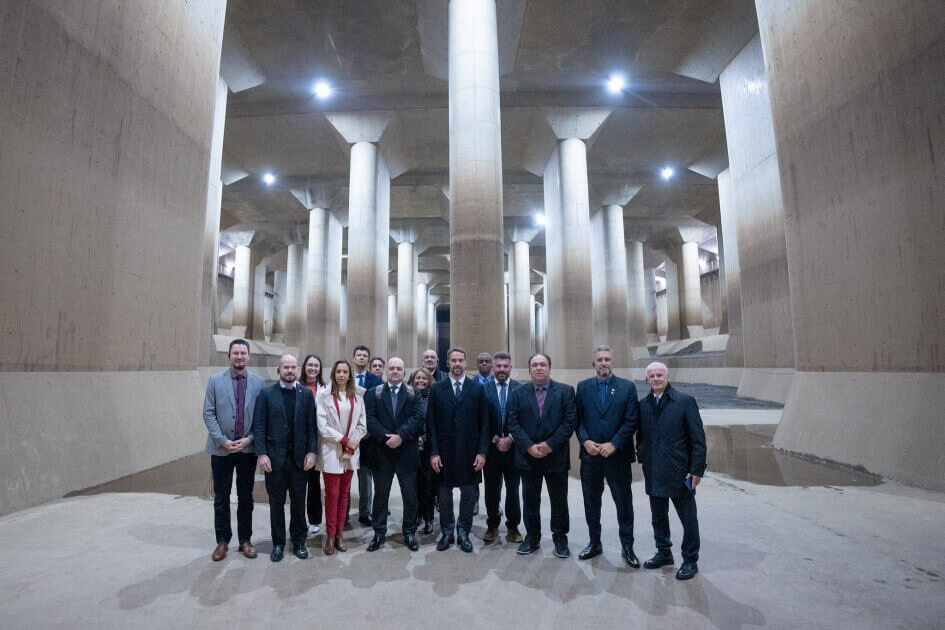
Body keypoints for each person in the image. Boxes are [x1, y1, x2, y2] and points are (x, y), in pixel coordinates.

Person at [638, 361, 707, 581]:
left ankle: (690, 560)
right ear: (647, 379)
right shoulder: (643, 404)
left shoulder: (684, 402)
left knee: (688, 519)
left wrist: (696, 469)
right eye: (652, 376)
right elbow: (640, 435)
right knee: (658, 517)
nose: (656, 379)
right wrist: (643, 455)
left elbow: (698, 439)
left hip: (680, 472)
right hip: (654, 470)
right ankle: (664, 552)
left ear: (668, 377)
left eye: (660, 375)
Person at [575, 346, 640, 567]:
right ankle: (594, 543)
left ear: (613, 362)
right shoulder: (583, 387)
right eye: (600, 359)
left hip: (617, 456)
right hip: (591, 456)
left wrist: (614, 443)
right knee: (591, 502)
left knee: (624, 503)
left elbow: (631, 420)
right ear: (593, 363)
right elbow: (578, 419)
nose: (604, 363)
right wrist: (585, 441)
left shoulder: (627, 387)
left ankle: (628, 546)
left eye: (607, 359)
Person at [507, 353, 577, 559]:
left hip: (555, 457)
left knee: (559, 501)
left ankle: (560, 537)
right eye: (535, 365)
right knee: (530, 501)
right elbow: (513, 423)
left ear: (549, 368)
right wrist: (529, 446)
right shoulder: (518, 393)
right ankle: (532, 537)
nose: (539, 368)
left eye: (543, 364)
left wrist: (549, 445)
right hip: (528, 458)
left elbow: (569, 423)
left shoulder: (565, 391)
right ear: (529, 370)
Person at [202, 339, 265, 561]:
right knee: (221, 497)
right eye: (235, 353)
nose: (239, 357)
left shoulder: (258, 383)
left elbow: (261, 417)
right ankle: (222, 541)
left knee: (246, 497)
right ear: (229, 356)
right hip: (222, 450)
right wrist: (222, 440)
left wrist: (250, 439)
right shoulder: (215, 381)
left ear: (248, 356)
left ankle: (245, 540)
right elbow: (208, 413)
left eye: (243, 353)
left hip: (247, 450)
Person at [253, 354, 317, 562]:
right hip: (275, 460)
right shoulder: (266, 394)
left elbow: (311, 427)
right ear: (278, 371)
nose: (290, 370)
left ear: (297, 370)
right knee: (276, 504)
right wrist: (262, 454)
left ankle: (299, 542)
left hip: (300, 461)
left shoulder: (306, 394)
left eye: (293, 367)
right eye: (286, 367)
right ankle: (278, 544)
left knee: (299, 504)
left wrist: (312, 452)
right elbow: (259, 426)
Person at [426, 347, 490, 553]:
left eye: (460, 360)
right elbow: (431, 424)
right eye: (453, 360)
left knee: (468, 495)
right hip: (443, 453)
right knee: (443, 495)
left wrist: (482, 452)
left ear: (465, 362)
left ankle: (463, 531)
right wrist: (434, 452)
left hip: (469, 453)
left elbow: (484, 424)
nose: (457, 364)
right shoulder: (437, 389)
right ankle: (446, 531)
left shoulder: (477, 389)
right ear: (447, 362)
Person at [365, 358, 425, 551]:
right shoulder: (374, 393)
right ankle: (379, 532)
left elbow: (418, 418)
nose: (395, 371)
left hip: (406, 452)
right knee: (381, 495)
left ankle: (409, 531)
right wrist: (386, 437)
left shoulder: (414, 393)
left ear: (404, 373)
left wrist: (401, 436)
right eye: (391, 368)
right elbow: (370, 419)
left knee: (410, 495)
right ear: (385, 372)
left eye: (399, 368)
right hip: (381, 452)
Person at [316, 359, 368, 555]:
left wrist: (351, 447)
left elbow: (362, 425)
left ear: (349, 374)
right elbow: (323, 427)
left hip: (350, 453)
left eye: (345, 371)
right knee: (332, 495)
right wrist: (346, 440)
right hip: (331, 451)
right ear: (333, 373)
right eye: (338, 371)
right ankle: (330, 535)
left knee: (344, 495)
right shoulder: (324, 395)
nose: (341, 375)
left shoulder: (359, 396)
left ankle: (340, 534)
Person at [481, 352, 523, 544]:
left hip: (514, 450)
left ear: (510, 367)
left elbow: (524, 420)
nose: (502, 370)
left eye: (505, 366)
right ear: (493, 368)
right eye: (498, 366)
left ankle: (513, 527)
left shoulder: (520, 389)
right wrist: (497, 438)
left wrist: (511, 438)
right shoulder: (483, 390)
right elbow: (480, 421)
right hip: (492, 449)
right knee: (491, 490)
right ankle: (492, 525)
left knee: (513, 490)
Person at [351, 345, 383, 526]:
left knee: (366, 476)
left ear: (368, 360)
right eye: (359, 355)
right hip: (347, 434)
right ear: (354, 358)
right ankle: (344, 513)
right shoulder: (345, 377)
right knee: (345, 474)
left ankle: (365, 512)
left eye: (365, 355)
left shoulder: (376, 381)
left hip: (369, 436)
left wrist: (369, 431)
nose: (362, 357)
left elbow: (378, 409)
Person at [408, 367, 438, 535]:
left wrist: (424, 437)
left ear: (429, 381)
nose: (421, 381)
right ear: (412, 380)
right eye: (417, 378)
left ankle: (428, 518)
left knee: (428, 485)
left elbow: (434, 421)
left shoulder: (433, 397)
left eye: (424, 378)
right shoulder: (408, 396)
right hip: (409, 446)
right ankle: (416, 515)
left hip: (427, 448)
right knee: (412, 485)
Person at [301, 354, 325, 536]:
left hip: (321, 440)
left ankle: (315, 519)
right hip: (301, 441)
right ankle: (299, 519)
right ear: (304, 367)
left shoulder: (325, 388)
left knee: (315, 482)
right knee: (300, 482)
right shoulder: (297, 386)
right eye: (310, 365)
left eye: (316, 365)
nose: (313, 368)